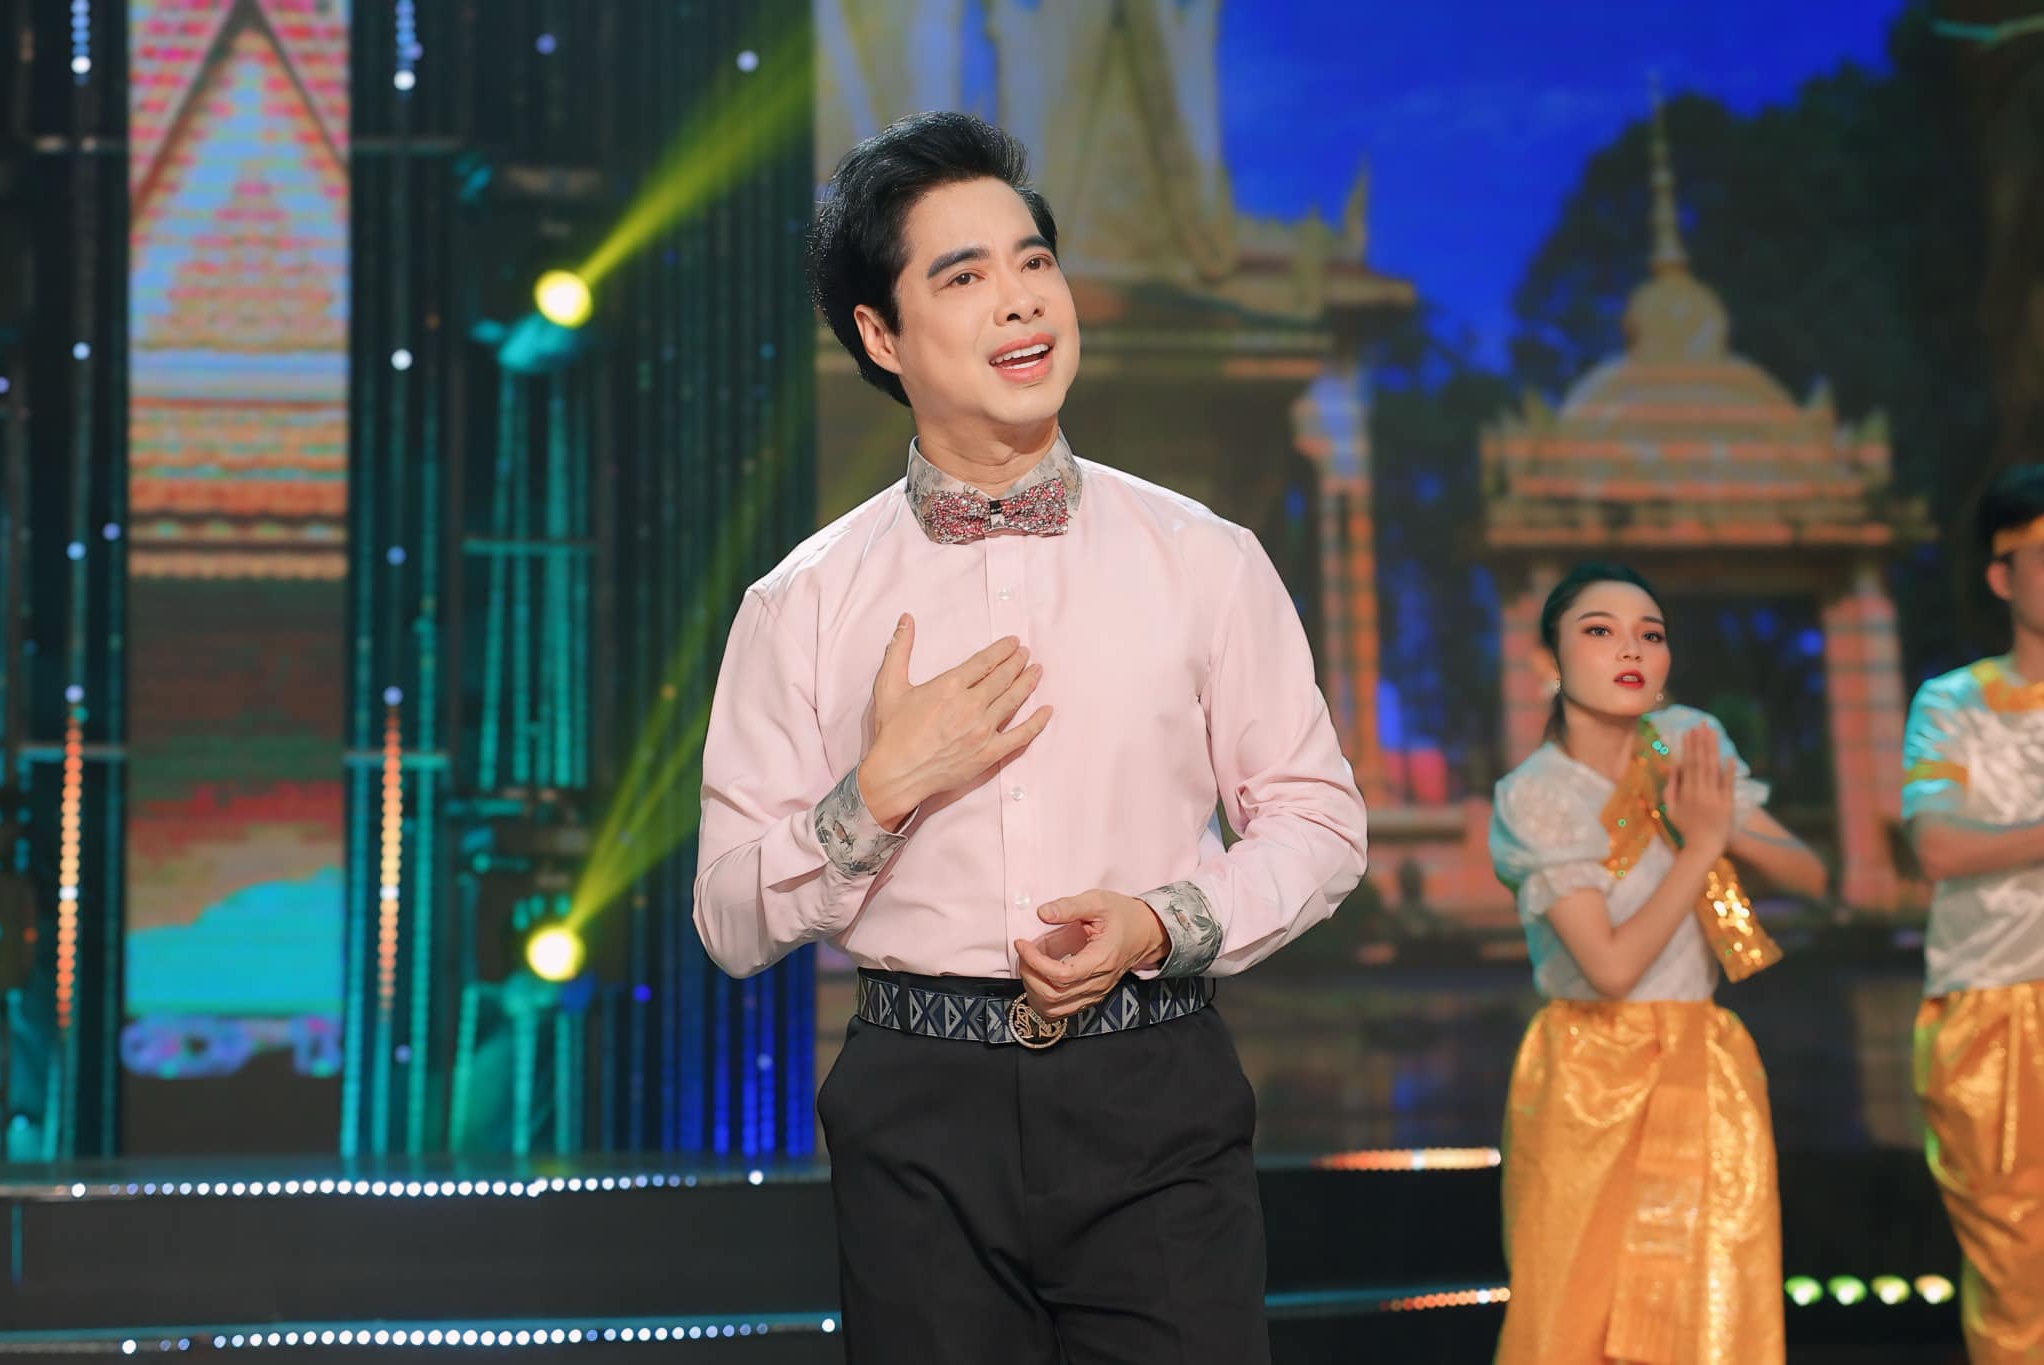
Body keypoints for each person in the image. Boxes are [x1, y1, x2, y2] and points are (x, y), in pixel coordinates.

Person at [690, 111, 1368, 1364]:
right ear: (880, 336)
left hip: (1153, 1087)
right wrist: (873, 796)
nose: (1020, 301)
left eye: (1033, 262)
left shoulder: (1203, 560)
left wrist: (1159, 924)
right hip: (915, 1108)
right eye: (964, 277)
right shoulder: (803, 602)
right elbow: (729, 918)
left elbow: (1317, 822)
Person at [1488, 562, 1824, 1365]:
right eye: (1600, 630)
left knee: (1709, 1312)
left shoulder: (1688, 740)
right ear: (1551, 659)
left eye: (1652, 633)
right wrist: (1699, 843)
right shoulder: (1535, 794)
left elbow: (1810, 875)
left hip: (1704, 1063)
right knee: (1575, 1315)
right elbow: (1610, 967)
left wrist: (1717, 820)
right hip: (1588, 1075)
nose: (1631, 649)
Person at [1903, 465, 2044, 1364]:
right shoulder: (1953, 702)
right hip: (1992, 1010)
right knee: (2016, 1267)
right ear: (2002, 574)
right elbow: (1940, 847)